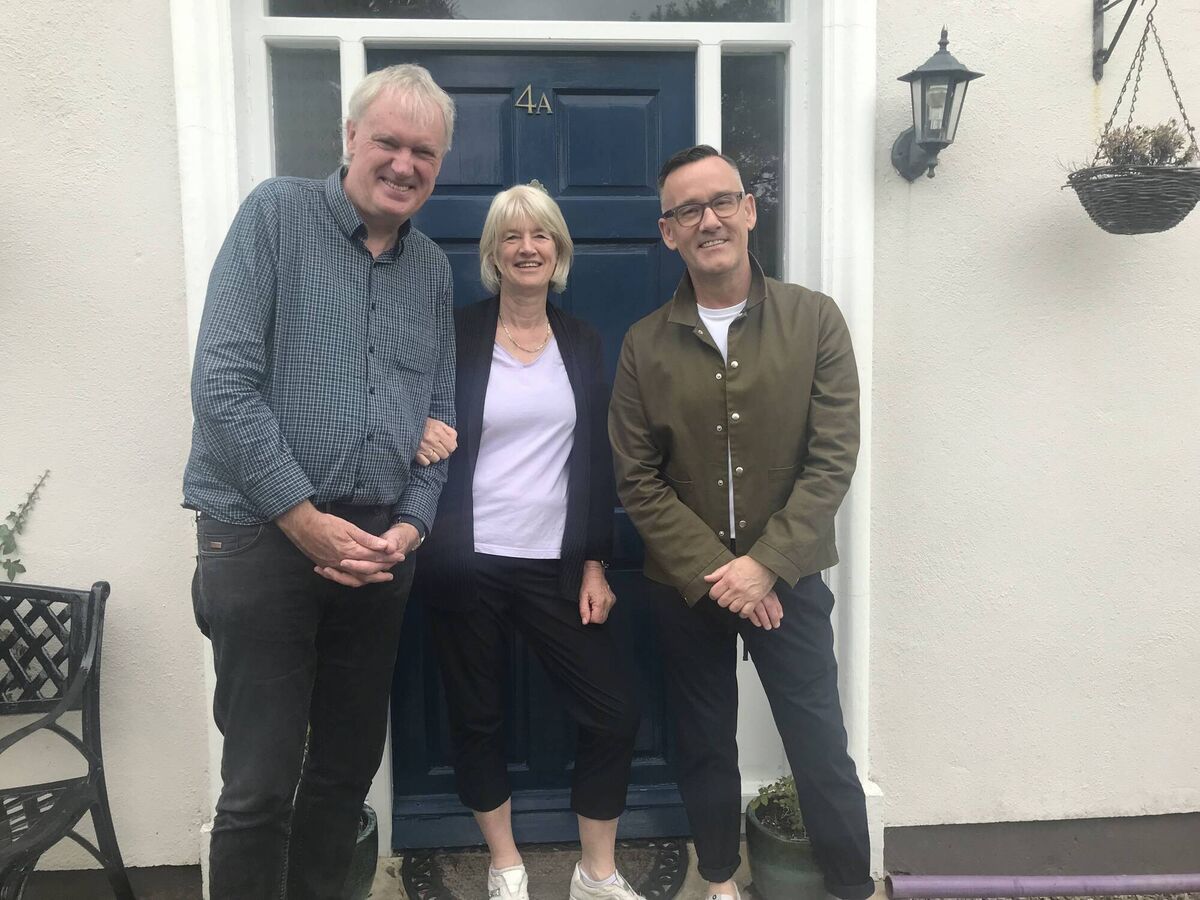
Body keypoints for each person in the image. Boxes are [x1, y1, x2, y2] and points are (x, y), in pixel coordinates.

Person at [184, 64, 457, 899]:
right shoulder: (276, 215)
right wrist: (303, 520)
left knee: (343, 776)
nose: (404, 164)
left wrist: (411, 526)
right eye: (388, 142)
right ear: (348, 138)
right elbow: (221, 383)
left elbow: (440, 421)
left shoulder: (435, 272)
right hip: (261, 538)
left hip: (377, 550)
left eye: (424, 151)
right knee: (260, 785)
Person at [607, 145, 873, 900]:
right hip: (686, 591)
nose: (708, 220)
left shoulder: (814, 319)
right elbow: (637, 476)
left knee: (819, 746)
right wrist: (721, 574)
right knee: (702, 743)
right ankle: (719, 881)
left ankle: (850, 887)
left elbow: (833, 457)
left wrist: (766, 564)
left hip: (787, 580)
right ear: (669, 233)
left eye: (721, 201)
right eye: (688, 210)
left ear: (750, 211)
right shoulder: (643, 345)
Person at [415, 183, 644, 900]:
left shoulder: (581, 342)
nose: (526, 247)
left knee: (613, 712)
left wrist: (597, 560)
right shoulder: (457, 334)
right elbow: (402, 402)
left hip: (557, 566)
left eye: (540, 235)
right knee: (477, 716)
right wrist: (412, 428)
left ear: (558, 251)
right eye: (511, 236)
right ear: (492, 253)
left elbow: (596, 458)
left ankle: (595, 872)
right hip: (467, 562)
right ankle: (506, 864)